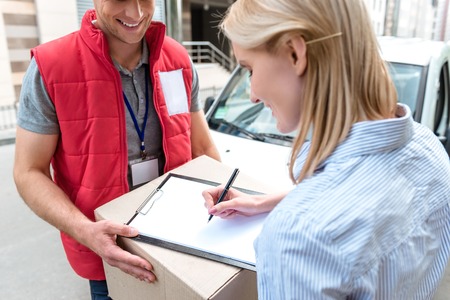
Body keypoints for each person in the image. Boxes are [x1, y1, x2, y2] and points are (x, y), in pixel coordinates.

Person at [203, 0, 450, 298]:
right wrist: (265, 203)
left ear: (296, 53)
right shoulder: (430, 150)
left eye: (249, 69)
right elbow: (370, 196)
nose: (252, 95)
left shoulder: (297, 237)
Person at [13, 0, 220, 299]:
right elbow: (28, 171)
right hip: (107, 258)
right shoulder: (51, 66)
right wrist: (87, 232)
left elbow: (202, 148)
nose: (135, 13)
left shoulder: (177, 59)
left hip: (182, 245)